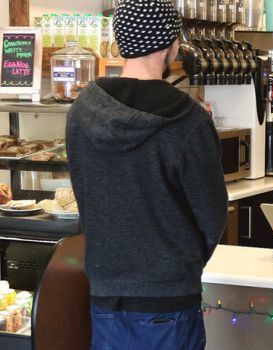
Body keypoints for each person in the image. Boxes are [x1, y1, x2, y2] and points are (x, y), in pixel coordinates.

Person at [65, 1, 228, 349]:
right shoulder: (189, 119)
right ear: (171, 44)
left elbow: (85, 194)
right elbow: (212, 215)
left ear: (121, 42)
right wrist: (179, 262)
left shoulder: (83, 109)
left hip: (105, 293)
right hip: (168, 297)